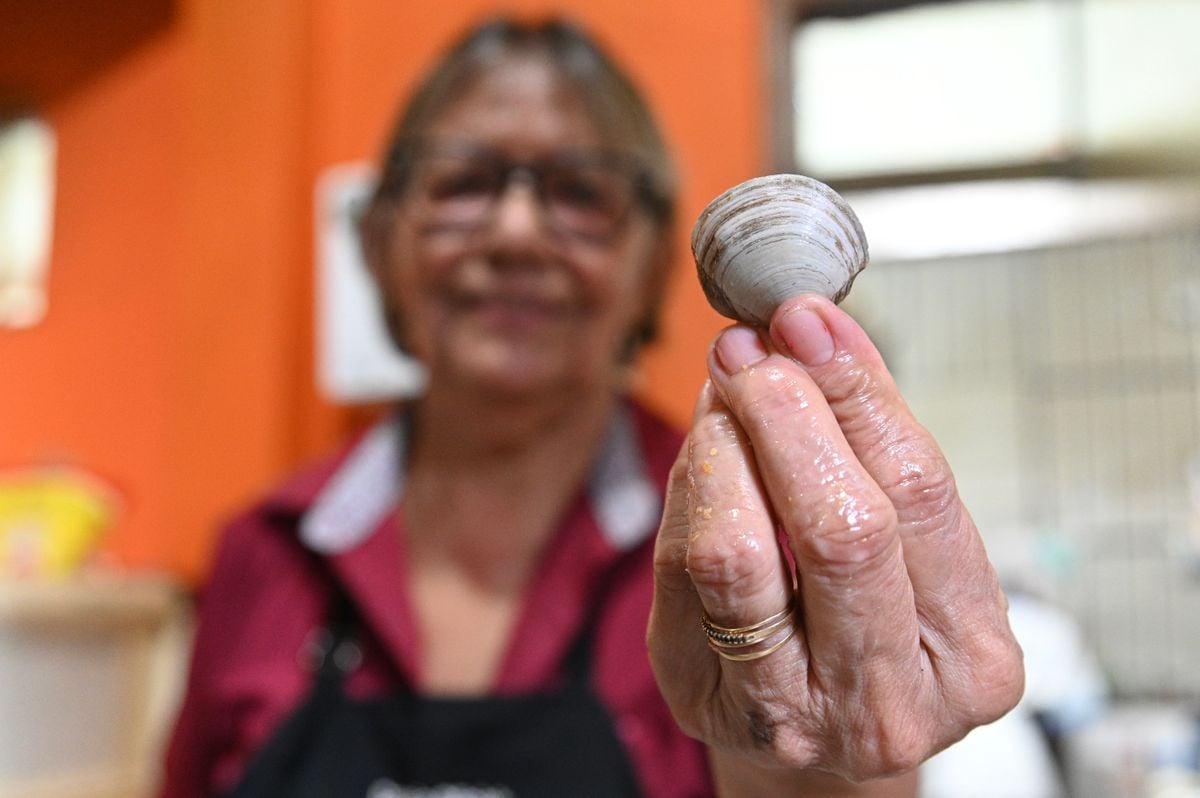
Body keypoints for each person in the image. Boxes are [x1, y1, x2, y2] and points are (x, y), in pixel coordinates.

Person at [160, 16, 1023, 798]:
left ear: (652, 267)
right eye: (462, 182)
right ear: (378, 241)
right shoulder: (264, 553)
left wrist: (848, 757)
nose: (516, 234)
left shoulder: (749, 547)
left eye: (581, 192)